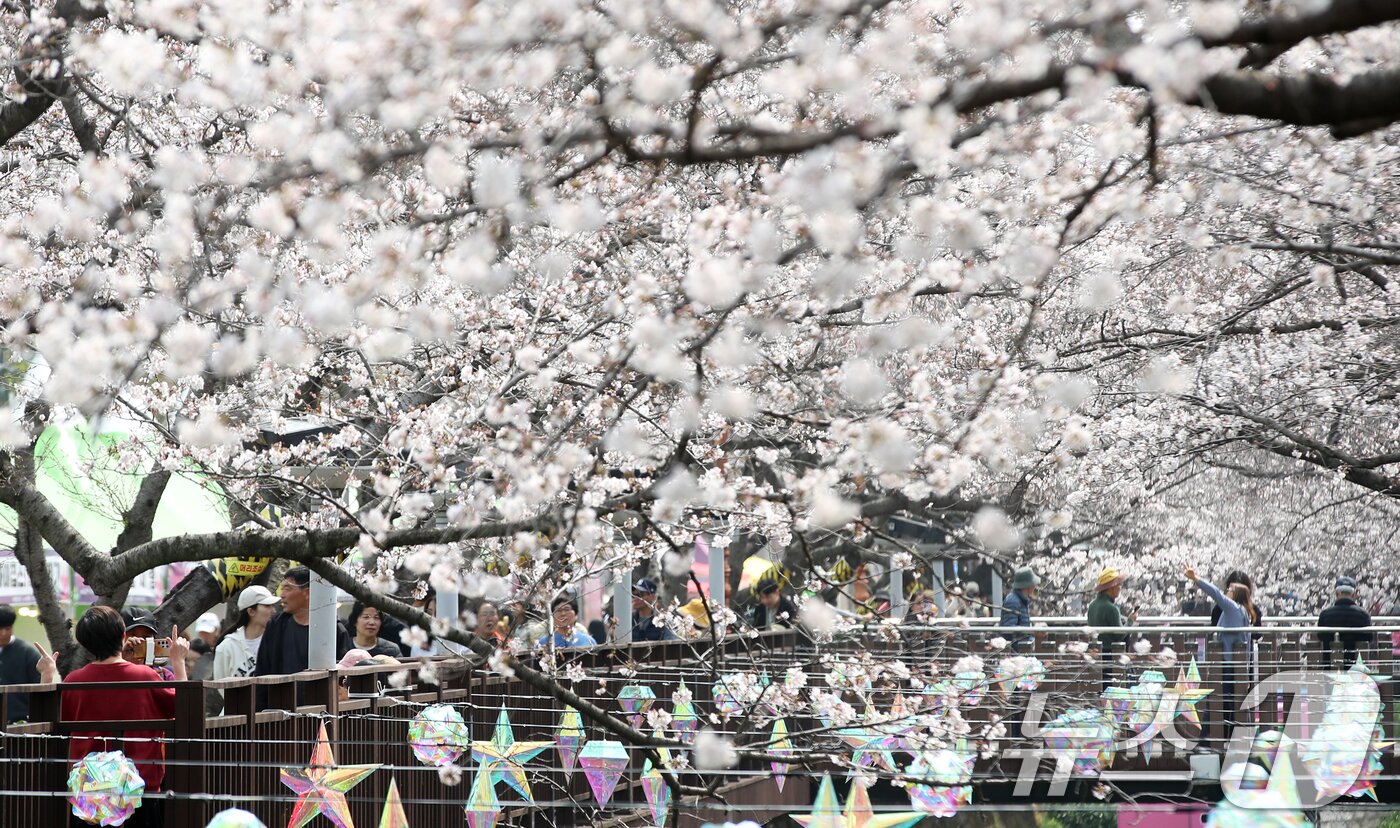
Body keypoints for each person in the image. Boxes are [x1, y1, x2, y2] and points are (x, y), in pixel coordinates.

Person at [48, 605, 188, 828]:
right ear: (123, 636)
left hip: (90, 791)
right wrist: (178, 661)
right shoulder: (145, 675)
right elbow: (183, 707)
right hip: (139, 787)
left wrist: (47, 674)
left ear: (85, 643)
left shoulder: (74, 680)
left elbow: (57, 719)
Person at [253, 567, 351, 710]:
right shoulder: (276, 626)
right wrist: (260, 711)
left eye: (288, 589)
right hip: (280, 711)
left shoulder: (334, 630)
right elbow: (262, 670)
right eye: (282, 589)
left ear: (307, 593)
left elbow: (344, 676)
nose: (282, 595)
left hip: (320, 712)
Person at [1087, 567, 1136, 689]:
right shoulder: (1111, 608)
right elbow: (1119, 634)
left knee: (1102, 685)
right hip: (1111, 653)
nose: (1120, 588)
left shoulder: (1092, 605)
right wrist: (1130, 621)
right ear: (1111, 588)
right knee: (1112, 686)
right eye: (1118, 585)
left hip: (1097, 651)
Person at [1317, 576, 1375, 667]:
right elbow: (1369, 637)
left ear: (1336, 593)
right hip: (1356, 666)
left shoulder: (1325, 614)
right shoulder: (1363, 615)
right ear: (1354, 594)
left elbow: (1320, 636)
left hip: (1331, 665)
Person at [0, 605, 42, 723]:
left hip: (20, 722)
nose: (3, 633)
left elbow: (38, 688)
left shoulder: (28, 653)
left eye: (7, 628)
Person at [999, 567, 1038, 651]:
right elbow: (1008, 628)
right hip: (1017, 648)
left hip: (1023, 644)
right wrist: (1031, 631)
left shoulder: (1020, 599)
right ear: (1027, 586)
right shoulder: (1013, 601)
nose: (1035, 586)